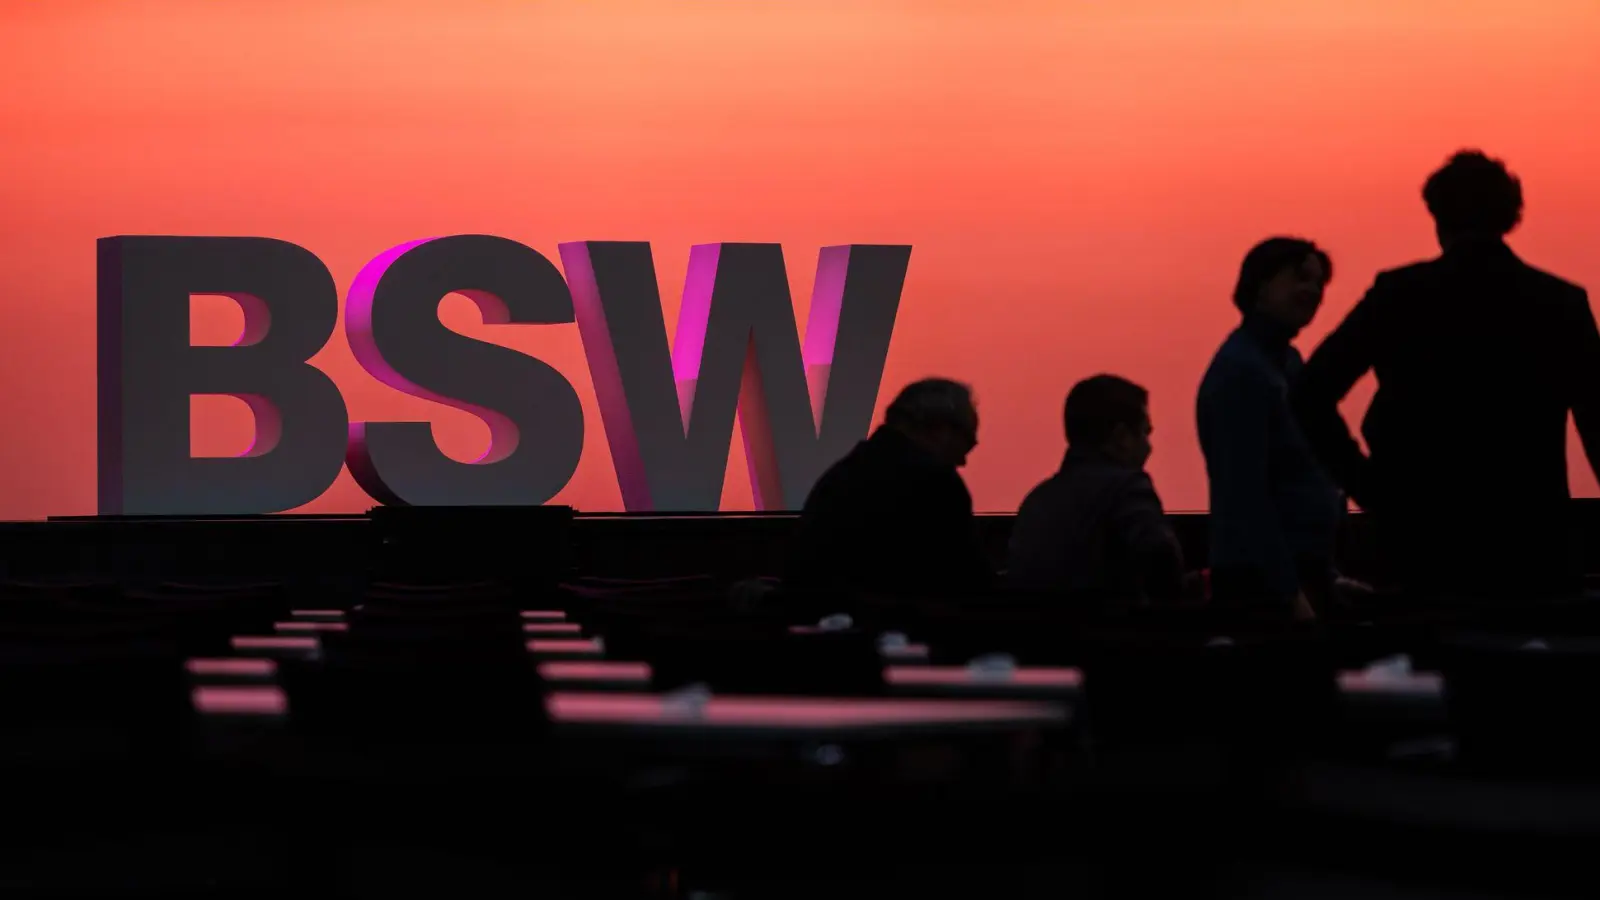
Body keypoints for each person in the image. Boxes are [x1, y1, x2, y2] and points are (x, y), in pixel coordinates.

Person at [1292, 150, 1600, 605]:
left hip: (1420, 545)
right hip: (1532, 544)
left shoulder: (1398, 294)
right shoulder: (1562, 303)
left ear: (1436, 217)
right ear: (1511, 216)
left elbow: (1310, 393)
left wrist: (1372, 489)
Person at [1197, 237, 1344, 618]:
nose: (1312, 290)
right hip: (1264, 583)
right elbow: (1244, 492)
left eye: (1318, 283)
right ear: (1260, 286)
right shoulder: (1242, 372)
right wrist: (1287, 591)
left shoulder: (1286, 363)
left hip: (1303, 571)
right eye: (1299, 278)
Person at [782, 378, 992, 614]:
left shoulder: (844, 474)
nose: (963, 461)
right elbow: (973, 585)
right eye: (968, 443)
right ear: (941, 429)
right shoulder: (935, 483)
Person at [1006, 375, 1184, 608]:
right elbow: (1160, 557)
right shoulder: (1126, 487)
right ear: (1121, 437)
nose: (1148, 446)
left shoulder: (1036, 500)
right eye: (1144, 433)